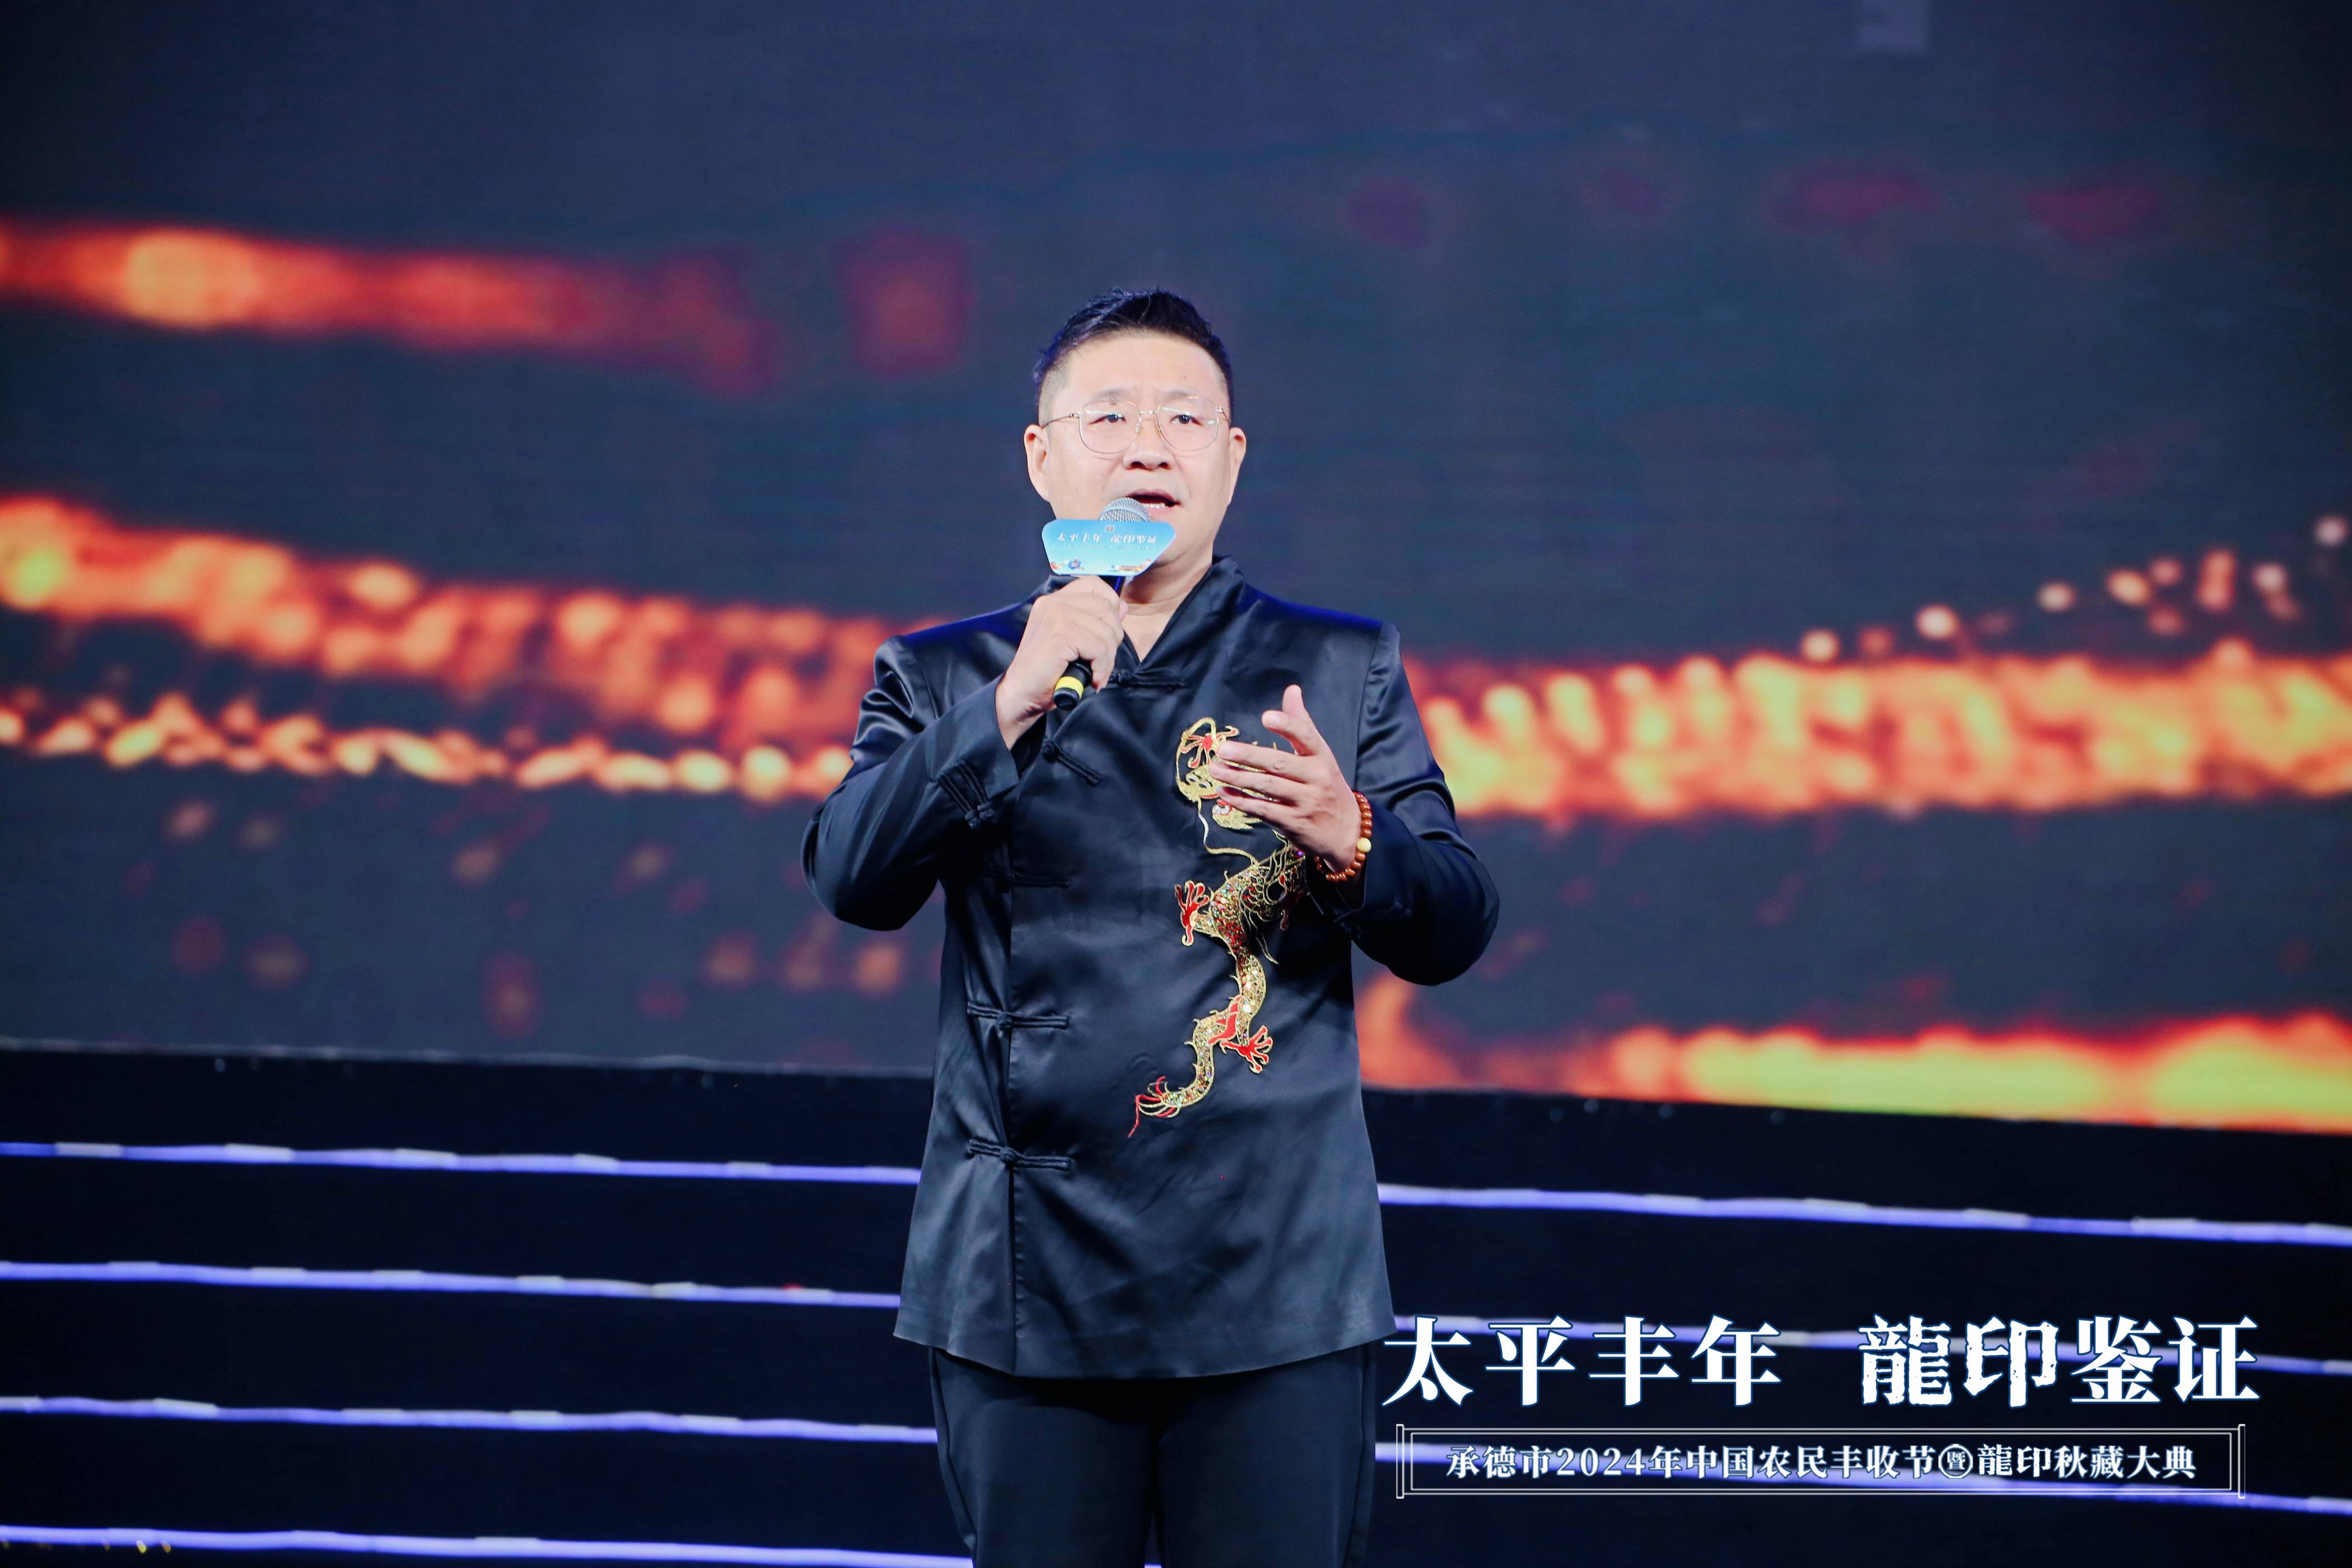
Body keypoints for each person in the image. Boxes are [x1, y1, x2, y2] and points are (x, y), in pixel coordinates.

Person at [801, 288, 1499, 1568]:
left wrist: (1348, 832)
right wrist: (1008, 704)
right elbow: (855, 878)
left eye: (1184, 420)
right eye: (1110, 416)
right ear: (1041, 456)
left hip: (1275, 1272)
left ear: (1232, 458)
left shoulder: (1336, 667)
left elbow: (1453, 925)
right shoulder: (946, 672)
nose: (1148, 446)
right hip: (1026, 1278)